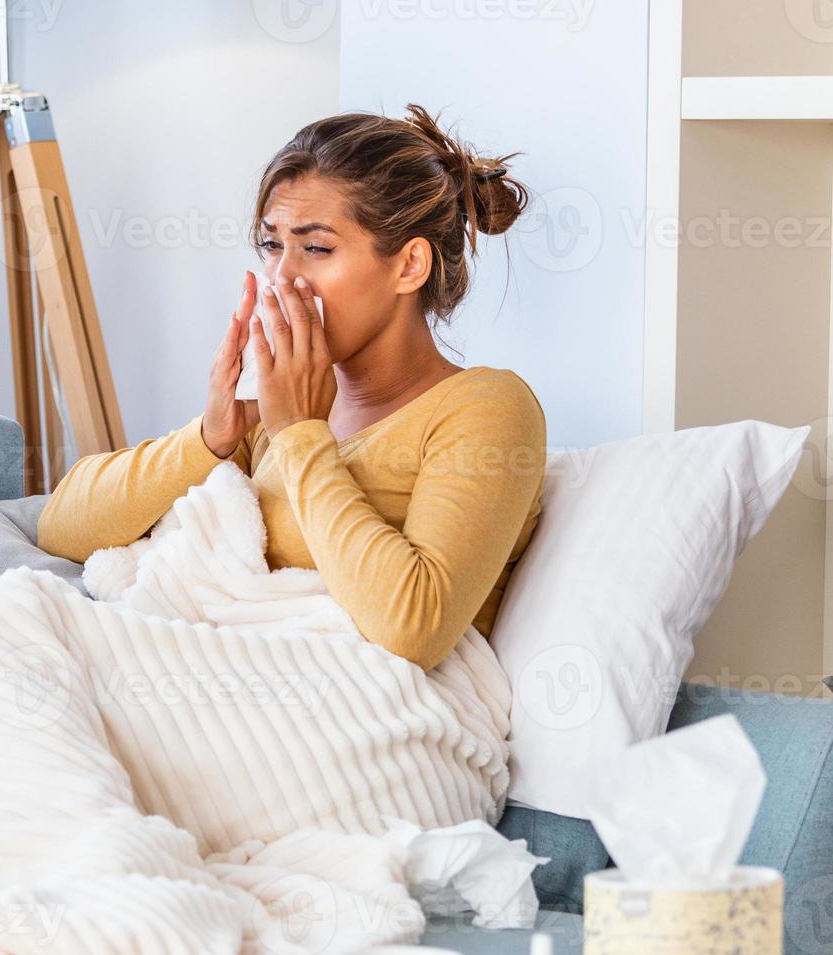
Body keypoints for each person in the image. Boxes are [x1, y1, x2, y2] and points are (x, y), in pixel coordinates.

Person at [37, 104, 547, 672]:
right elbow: (61, 525)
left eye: (317, 248)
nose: (282, 279)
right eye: (272, 246)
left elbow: (413, 627)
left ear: (409, 266)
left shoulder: (486, 407)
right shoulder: (277, 410)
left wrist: (302, 436)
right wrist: (209, 439)